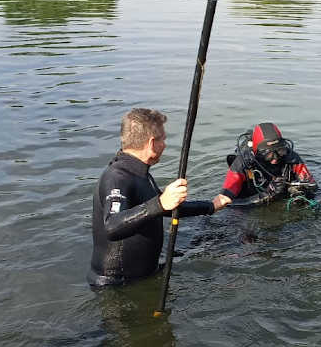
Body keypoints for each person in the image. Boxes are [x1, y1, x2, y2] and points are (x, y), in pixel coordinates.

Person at [89, 108, 228, 287]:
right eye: (163, 139)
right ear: (152, 143)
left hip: (146, 274)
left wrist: (211, 206)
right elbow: (112, 226)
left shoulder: (140, 172)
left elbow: (165, 207)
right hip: (118, 287)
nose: (165, 144)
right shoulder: (117, 177)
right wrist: (159, 203)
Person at [216, 122, 318, 206]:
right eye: (268, 155)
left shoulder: (291, 159)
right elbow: (225, 203)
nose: (275, 158)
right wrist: (265, 196)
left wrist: (305, 192)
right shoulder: (241, 164)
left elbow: (314, 187)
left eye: (280, 151)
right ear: (257, 153)